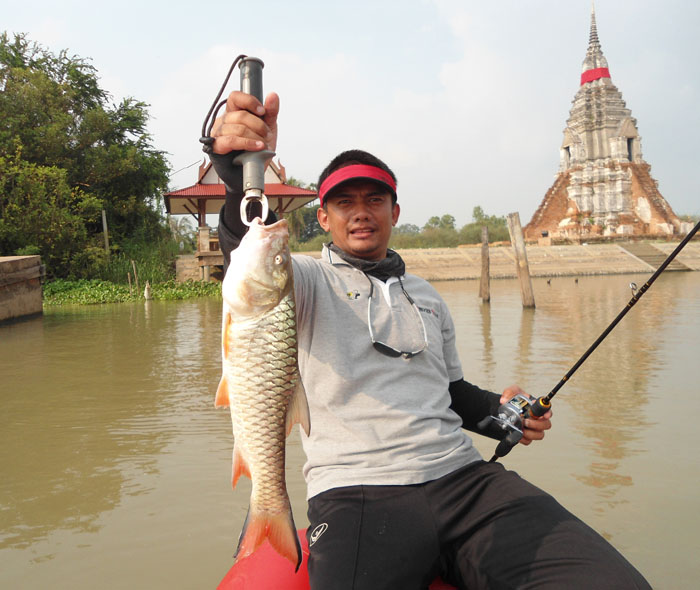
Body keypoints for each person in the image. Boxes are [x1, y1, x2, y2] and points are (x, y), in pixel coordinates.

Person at [207, 90, 651, 590]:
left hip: (463, 479)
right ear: (324, 218)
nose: (361, 213)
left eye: (374, 200)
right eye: (343, 202)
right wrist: (234, 177)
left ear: (395, 212)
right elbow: (247, 258)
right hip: (357, 490)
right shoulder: (305, 279)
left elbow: (449, 392)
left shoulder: (429, 298)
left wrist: (500, 411)